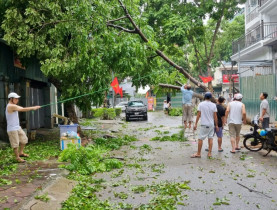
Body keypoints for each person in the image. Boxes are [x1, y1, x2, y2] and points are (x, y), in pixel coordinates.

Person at [6, 92, 41, 163]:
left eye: (17, 99)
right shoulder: (10, 106)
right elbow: (22, 109)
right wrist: (33, 108)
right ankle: (17, 158)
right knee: (15, 144)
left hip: (17, 127)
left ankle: (21, 152)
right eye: (16, 99)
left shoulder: (13, 105)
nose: (17, 100)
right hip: (12, 129)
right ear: (11, 99)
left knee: (24, 139)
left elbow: (21, 108)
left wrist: (33, 108)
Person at [191, 92, 218, 158]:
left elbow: (198, 115)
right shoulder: (214, 105)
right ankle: (209, 153)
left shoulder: (201, 104)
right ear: (211, 97)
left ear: (204, 97)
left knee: (200, 139)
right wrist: (216, 125)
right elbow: (215, 116)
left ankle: (198, 153)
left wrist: (195, 124)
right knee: (210, 138)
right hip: (211, 124)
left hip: (204, 124)